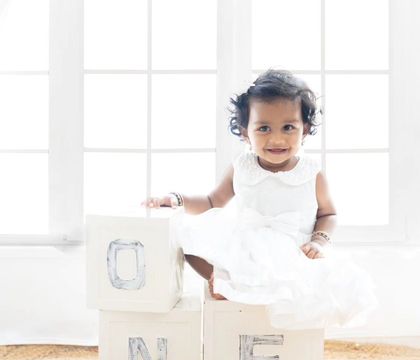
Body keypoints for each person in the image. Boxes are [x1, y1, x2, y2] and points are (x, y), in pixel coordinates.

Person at [142, 69, 377, 329]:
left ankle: (248, 293)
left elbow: (328, 214)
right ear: (245, 132)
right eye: (263, 128)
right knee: (187, 241)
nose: (276, 138)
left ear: (305, 129)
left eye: (288, 127)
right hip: (246, 245)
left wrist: (319, 241)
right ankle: (223, 282)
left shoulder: (311, 172)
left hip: (293, 250)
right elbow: (212, 201)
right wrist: (178, 199)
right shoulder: (243, 166)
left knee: (303, 283)